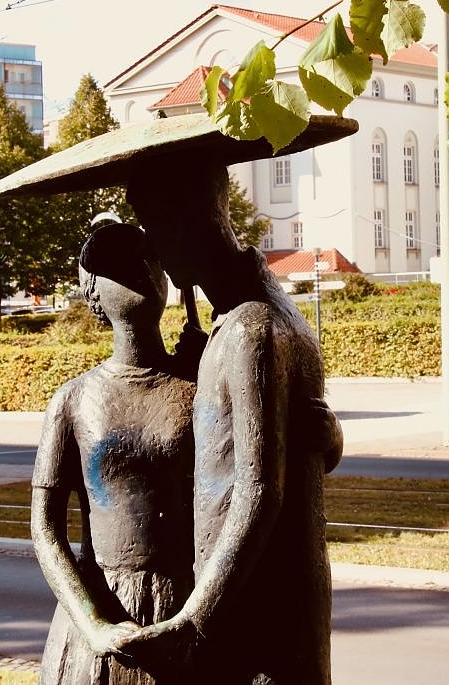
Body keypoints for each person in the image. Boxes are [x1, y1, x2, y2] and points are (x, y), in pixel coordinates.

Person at [120, 160, 343, 685]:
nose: (153, 247)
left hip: (254, 612)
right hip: (267, 597)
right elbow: (302, 441)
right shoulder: (269, 312)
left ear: (187, 217)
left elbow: (258, 491)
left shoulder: (249, 329)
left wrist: (193, 620)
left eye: (153, 225)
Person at [31, 223, 198, 685]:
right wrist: (93, 625)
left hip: (186, 606)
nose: (143, 271)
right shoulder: (73, 401)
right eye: (121, 266)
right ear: (94, 293)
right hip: (103, 610)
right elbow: (45, 530)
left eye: (150, 259)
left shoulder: (201, 385)